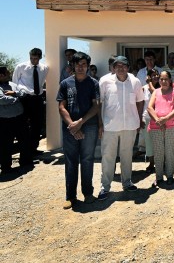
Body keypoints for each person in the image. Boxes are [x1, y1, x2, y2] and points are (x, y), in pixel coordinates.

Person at [56, 52, 100, 209]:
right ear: (72, 66)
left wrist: (81, 122)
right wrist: (73, 126)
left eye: (84, 64)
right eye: (78, 64)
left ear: (88, 66)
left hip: (89, 126)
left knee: (87, 159)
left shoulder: (94, 83)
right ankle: (71, 196)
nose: (81, 67)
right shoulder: (65, 84)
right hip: (70, 127)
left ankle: (88, 193)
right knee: (71, 161)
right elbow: (61, 107)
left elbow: (96, 106)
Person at [98, 56, 144, 200]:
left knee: (127, 156)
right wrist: (100, 124)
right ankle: (105, 187)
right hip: (110, 126)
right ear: (113, 68)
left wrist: (137, 119)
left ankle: (127, 182)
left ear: (128, 67)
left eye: (123, 66)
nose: (120, 68)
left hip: (129, 126)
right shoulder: (105, 81)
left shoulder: (135, 82)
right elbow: (99, 103)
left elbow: (140, 101)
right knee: (108, 157)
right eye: (117, 66)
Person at [147, 71, 174, 186]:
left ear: (170, 80)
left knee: (170, 151)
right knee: (158, 152)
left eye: (166, 79)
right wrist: (158, 120)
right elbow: (149, 107)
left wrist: (166, 119)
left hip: (172, 126)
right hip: (156, 126)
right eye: (161, 79)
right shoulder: (156, 92)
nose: (163, 81)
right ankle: (158, 177)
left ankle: (170, 175)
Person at [13, 47, 49, 155]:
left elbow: (42, 82)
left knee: (37, 124)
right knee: (23, 125)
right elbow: (14, 82)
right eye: (32, 58)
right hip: (24, 98)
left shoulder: (44, 68)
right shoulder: (21, 67)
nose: (34, 60)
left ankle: (33, 148)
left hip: (37, 99)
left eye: (36, 58)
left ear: (40, 57)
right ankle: (24, 149)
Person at [0, 66, 30, 174]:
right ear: (1, 75)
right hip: (5, 121)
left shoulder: (13, 85)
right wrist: (17, 99)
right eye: (7, 73)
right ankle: (6, 167)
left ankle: (25, 162)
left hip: (19, 118)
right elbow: (2, 100)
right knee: (5, 144)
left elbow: (23, 93)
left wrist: (14, 94)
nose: (9, 74)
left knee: (24, 140)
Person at [138, 69, 160, 173]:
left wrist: (149, 83)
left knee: (159, 141)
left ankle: (160, 162)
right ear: (149, 76)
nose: (156, 76)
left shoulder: (161, 88)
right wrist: (140, 118)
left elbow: (154, 93)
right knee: (149, 142)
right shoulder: (143, 89)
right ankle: (151, 163)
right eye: (153, 75)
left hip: (159, 119)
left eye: (157, 74)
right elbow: (141, 104)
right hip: (147, 118)